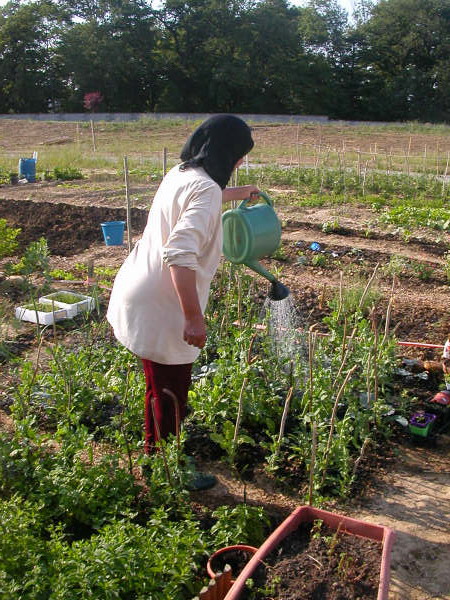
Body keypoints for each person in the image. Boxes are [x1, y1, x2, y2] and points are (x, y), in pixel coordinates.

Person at [106, 115, 258, 487]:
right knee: (172, 392)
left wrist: (237, 194)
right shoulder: (204, 189)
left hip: (137, 287)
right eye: (239, 156)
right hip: (163, 303)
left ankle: (154, 458)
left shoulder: (181, 174)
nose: (240, 163)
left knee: (158, 386)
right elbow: (179, 253)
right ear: (226, 153)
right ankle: (168, 472)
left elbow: (196, 200)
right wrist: (193, 317)